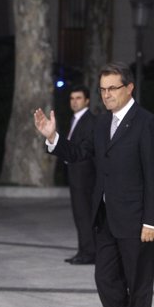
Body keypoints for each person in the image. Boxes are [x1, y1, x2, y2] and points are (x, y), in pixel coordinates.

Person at [34, 62, 154, 307]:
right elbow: (79, 154)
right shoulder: (101, 123)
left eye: (113, 89)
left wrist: (152, 221)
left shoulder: (147, 124)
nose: (107, 95)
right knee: (105, 279)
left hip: (137, 222)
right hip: (106, 218)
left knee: (138, 285)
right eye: (103, 90)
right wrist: (53, 138)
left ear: (129, 88)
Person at [64, 85, 96, 265]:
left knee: (84, 215)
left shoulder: (89, 121)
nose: (74, 102)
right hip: (76, 175)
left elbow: (87, 150)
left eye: (78, 98)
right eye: (72, 98)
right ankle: (83, 250)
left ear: (87, 100)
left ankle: (89, 253)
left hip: (84, 176)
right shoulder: (75, 119)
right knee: (80, 214)